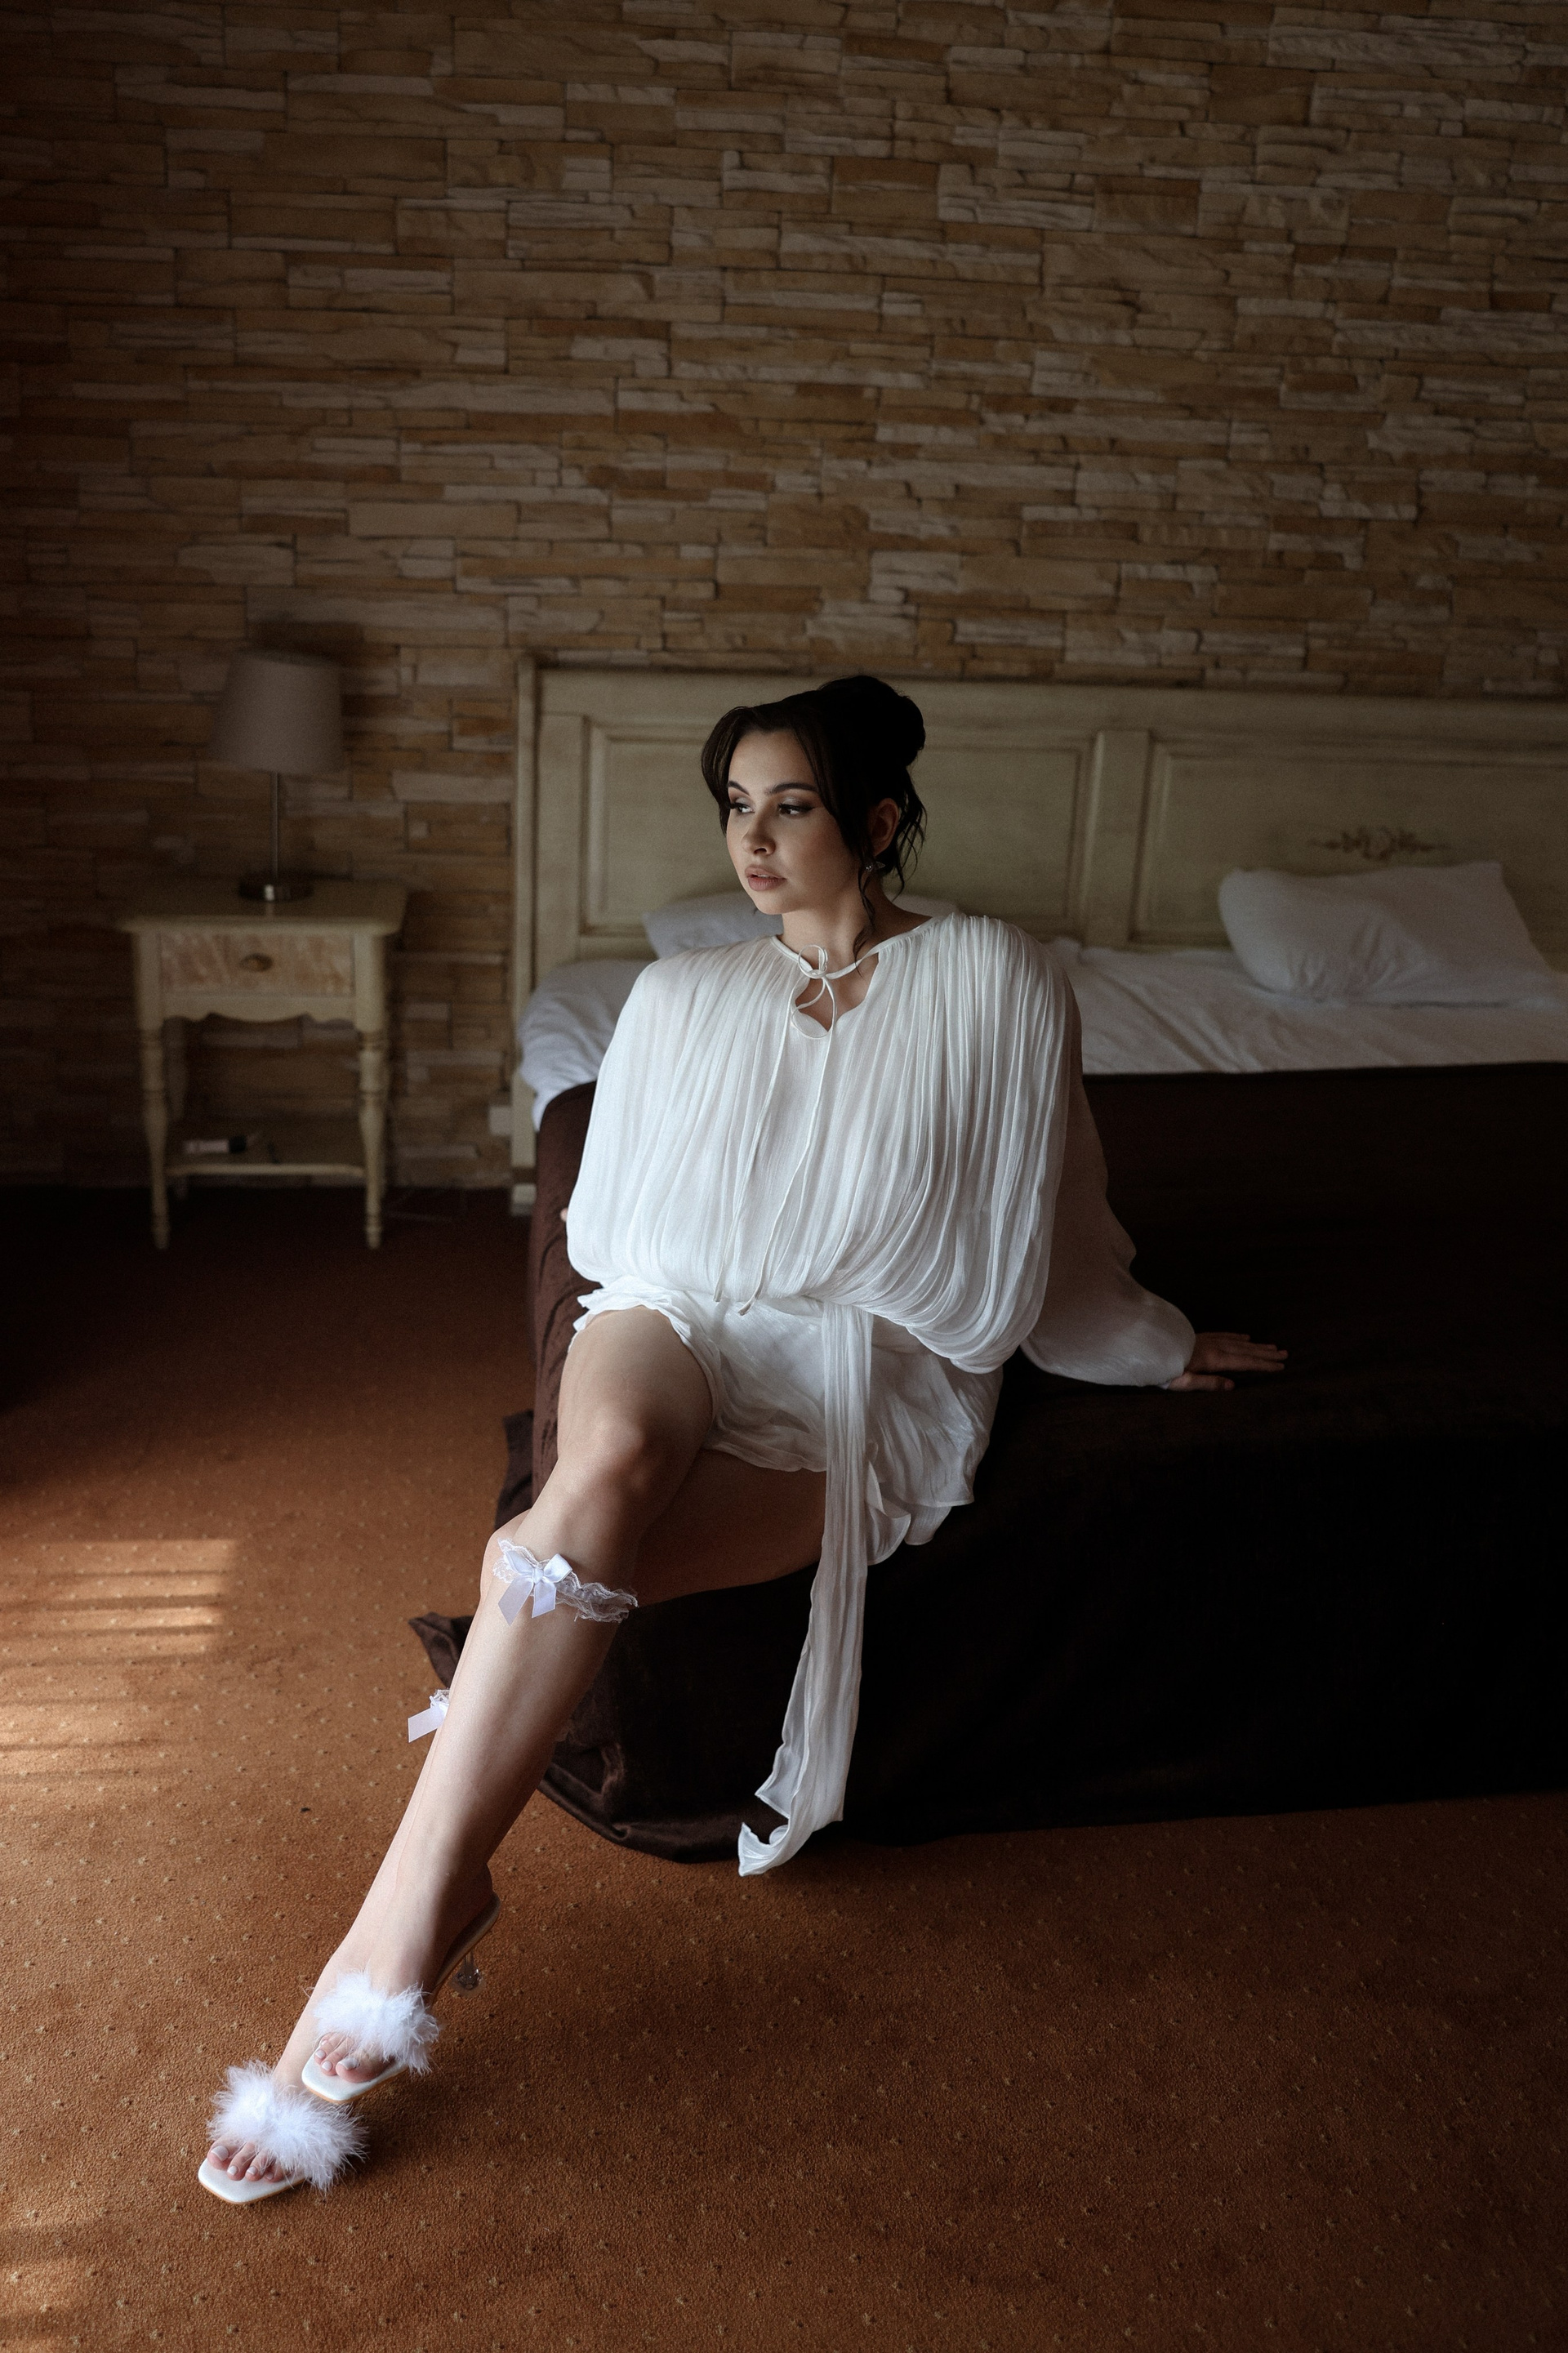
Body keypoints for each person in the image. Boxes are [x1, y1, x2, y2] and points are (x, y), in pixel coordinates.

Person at [201, 674, 1284, 2201]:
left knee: (551, 1559)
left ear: (880, 820)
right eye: (734, 808)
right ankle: (391, 1937)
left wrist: (1152, 1343)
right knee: (607, 1469)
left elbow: (1047, 1213)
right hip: (674, 1309)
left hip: (865, 1363)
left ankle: (418, 1913)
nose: (753, 842)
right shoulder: (678, 993)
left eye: (792, 806)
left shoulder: (997, 977)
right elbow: (615, 1240)